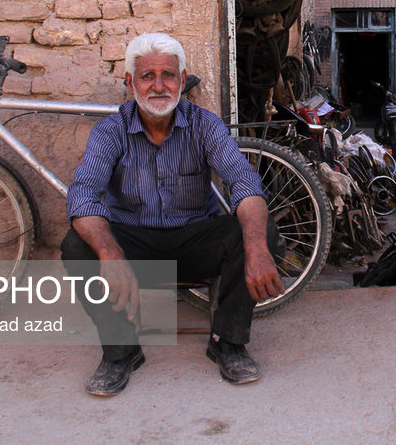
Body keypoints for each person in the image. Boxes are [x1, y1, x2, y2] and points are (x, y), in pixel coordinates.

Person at [62, 33, 283, 396]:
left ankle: (227, 342)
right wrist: (110, 252)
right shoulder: (110, 131)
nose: (159, 85)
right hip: (133, 243)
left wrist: (258, 247)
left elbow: (245, 182)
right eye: (147, 76)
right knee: (77, 244)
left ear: (182, 80)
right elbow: (84, 195)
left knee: (259, 230)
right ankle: (122, 352)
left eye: (168, 75)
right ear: (130, 82)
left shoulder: (205, 125)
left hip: (195, 240)